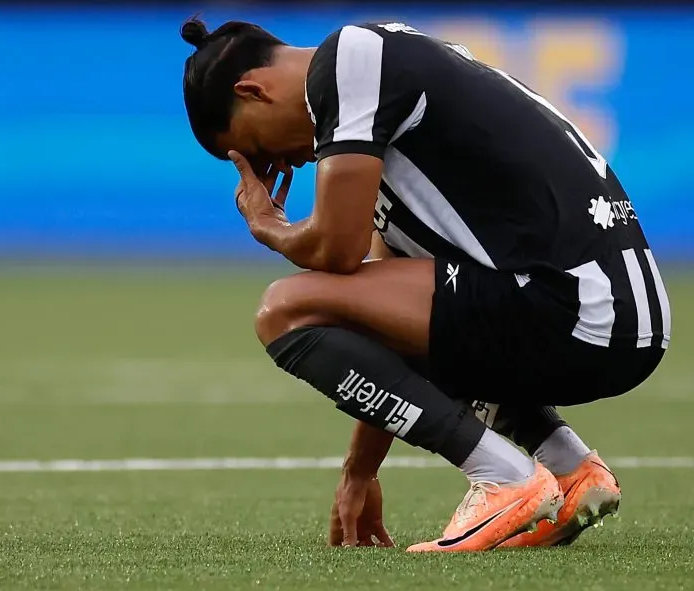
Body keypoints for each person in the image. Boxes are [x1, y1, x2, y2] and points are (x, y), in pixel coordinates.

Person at [179, 17, 670, 551]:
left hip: (578, 307)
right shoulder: (384, 109)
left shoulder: (348, 59)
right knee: (368, 305)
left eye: (256, 147)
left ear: (252, 90)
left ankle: (504, 477)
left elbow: (337, 252)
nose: (278, 164)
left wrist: (269, 226)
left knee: (284, 308)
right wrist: (360, 471)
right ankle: (570, 467)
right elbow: (383, 316)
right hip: (608, 314)